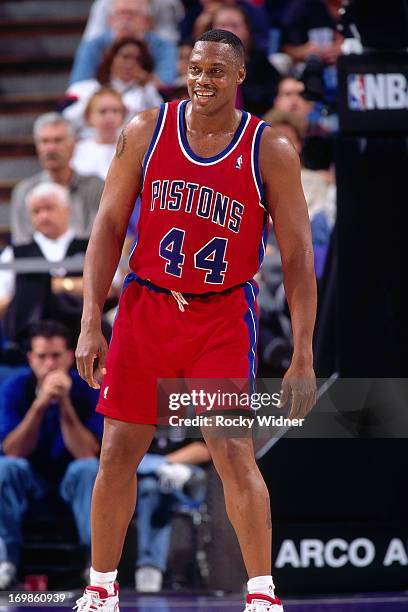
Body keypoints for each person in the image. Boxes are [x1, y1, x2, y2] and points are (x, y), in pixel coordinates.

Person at [75, 28, 317, 612]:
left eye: (216, 71)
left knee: (234, 452)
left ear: (239, 77)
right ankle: (101, 586)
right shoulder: (145, 132)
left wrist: (304, 353)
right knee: (117, 453)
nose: (202, 80)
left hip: (221, 315)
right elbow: (107, 229)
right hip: (146, 306)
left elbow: (299, 258)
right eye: (195, 68)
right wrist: (90, 321)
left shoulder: (269, 149)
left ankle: (262, 594)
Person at [0, 320, 103, 590]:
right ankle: (4, 561)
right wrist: (40, 404)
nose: (49, 364)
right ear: (30, 359)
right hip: (31, 480)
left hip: (72, 480)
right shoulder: (15, 387)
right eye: (42, 357)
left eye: (56, 356)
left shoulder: (89, 388)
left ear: (70, 356)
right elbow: (13, 450)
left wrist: (65, 403)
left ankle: (95, 565)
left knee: (89, 469)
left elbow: (87, 453)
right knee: (6, 468)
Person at [1, 183, 90, 348]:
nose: (43, 216)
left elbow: (111, 289)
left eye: (49, 208)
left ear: (67, 209)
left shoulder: (90, 247)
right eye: (36, 211)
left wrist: (63, 285)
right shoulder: (14, 252)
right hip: (27, 346)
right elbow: (2, 299)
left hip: (81, 342)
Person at [10, 113, 103, 247]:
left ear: (73, 144)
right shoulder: (24, 191)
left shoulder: (96, 188)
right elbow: (21, 243)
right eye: (44, 141)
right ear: (37, 147)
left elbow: (101, 238)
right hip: (38, 266)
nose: (51, 148)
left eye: (58, 140)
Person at [135, 436, 210, 592]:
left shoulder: (188, 413)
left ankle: (150, 567)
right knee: (149, 486)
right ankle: (97, 568)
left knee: (155, 486)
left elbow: (204, 449)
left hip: (183, 478)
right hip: (139, 479)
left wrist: (159, 464)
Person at [64, 38, 162, 136]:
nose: (130, 63)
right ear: (112, 58)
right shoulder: (85, 88)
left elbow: (160, 120)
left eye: (138, 59)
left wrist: (146, 87)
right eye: (125, 57)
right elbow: (67, 120)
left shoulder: (147, 91)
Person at [70, 0, 177, 87]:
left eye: (132, 14)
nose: (125, 19)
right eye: (120, 13)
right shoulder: (94, 46)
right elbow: (78, 87)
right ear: (110, 20)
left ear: (147, 21)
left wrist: (143, 79)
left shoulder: (163, 46)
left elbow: (167, 86)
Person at [71, 89, 127, 180]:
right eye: (103, 111)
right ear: (89, 116)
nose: (110, 117)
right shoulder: (78, 149)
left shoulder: (131, 148)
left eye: (115, 111)